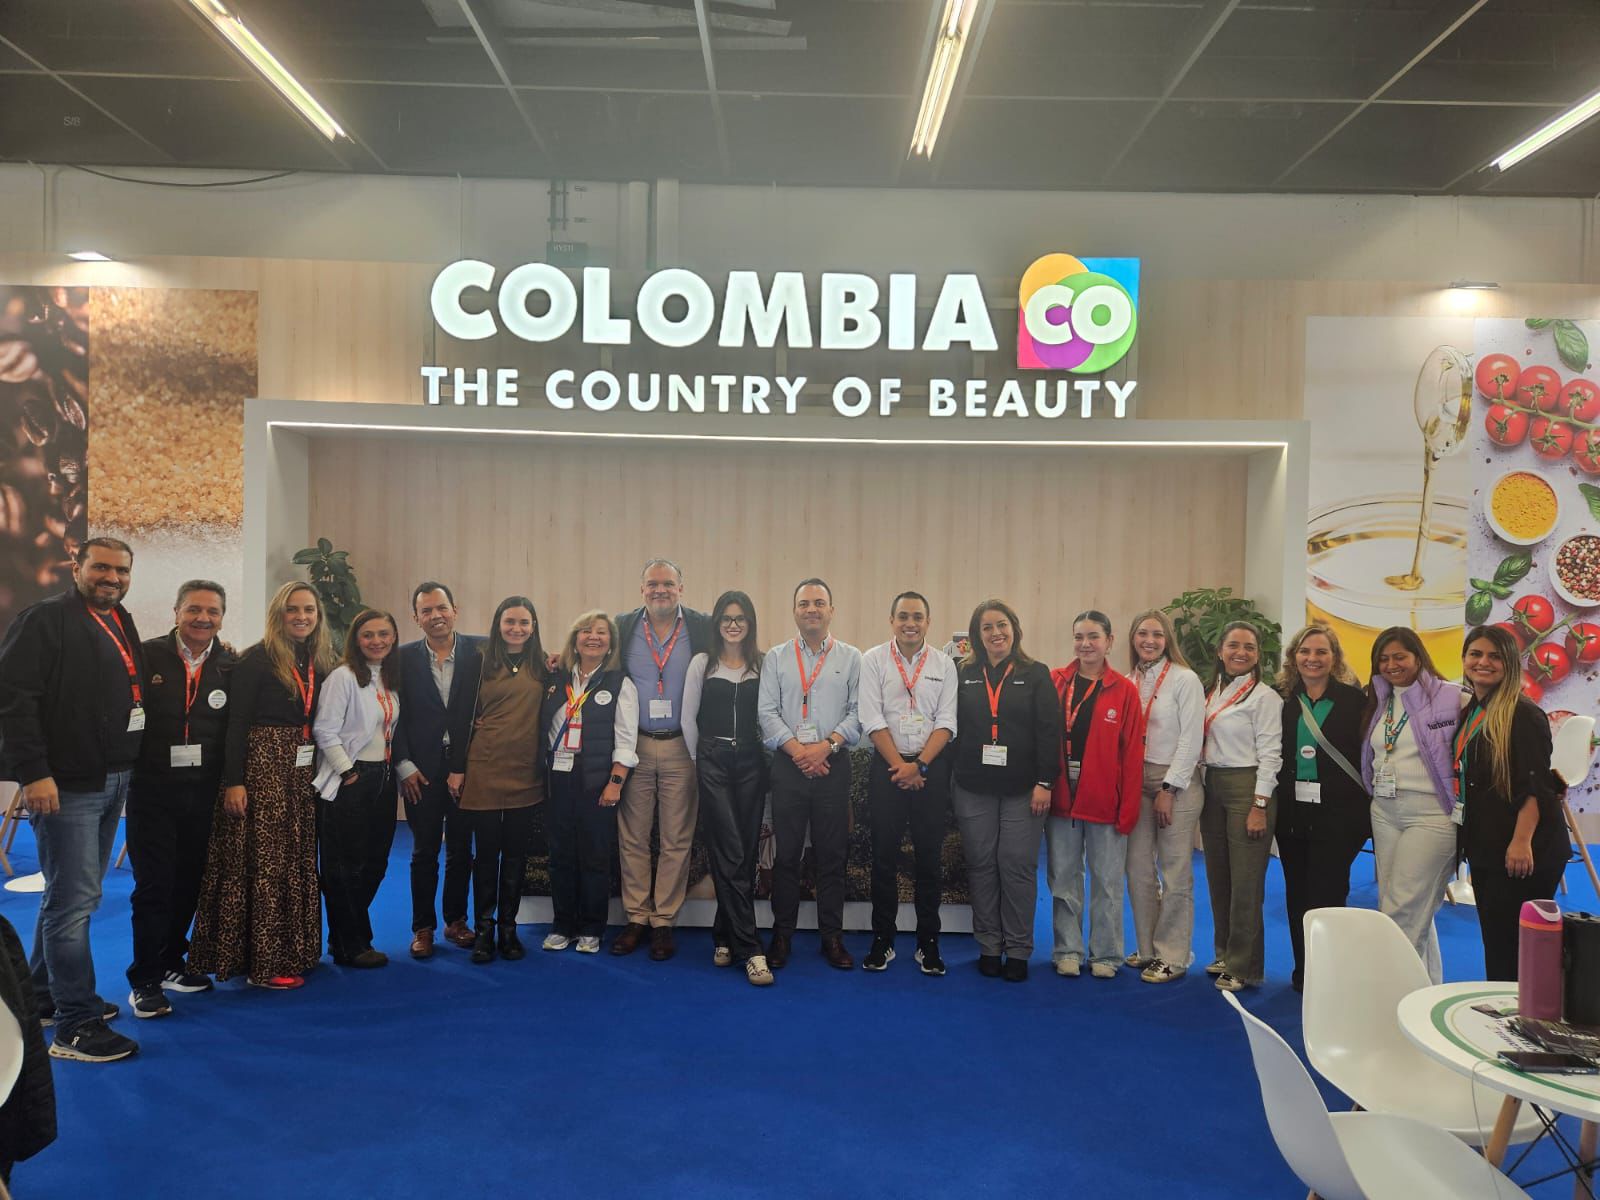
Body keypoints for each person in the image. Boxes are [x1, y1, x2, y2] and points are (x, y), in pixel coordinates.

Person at [0, 537, 144, 1061]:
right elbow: (14, 701)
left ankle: (44, 996)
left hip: (112, 777)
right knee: (73, 903)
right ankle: (75, 1026)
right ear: (76, 567)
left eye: (121, 570)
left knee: (72, 894)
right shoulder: (44, 620)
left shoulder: (119, 618)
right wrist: (33, 774)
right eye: (101, 567)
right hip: (65, 784)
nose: (112, 578)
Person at [190, 581, 333, 990]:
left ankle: (292, 950)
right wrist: (235, 782)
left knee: (293, 858)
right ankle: (262, 963)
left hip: (299, 771)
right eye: (293, 609)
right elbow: (236, 724)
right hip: (262, 767)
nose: (301, 617)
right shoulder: (257, 659)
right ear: (278, 614)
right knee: (264, 862)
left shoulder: (319, 660)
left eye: (308, 609)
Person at [124, 580, 235, 1019]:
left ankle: (172, 960)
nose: (202, 618)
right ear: (176, 612)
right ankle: (145, 979)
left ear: (222, 617)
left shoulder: (229, 664)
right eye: (193, 609)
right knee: (154, 885)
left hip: (203, 793)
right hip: (152, 790)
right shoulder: (147, 655)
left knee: (189, 880)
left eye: (212, 611)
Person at [950, 599, 1062, 983]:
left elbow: (1050, 731)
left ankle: (1017, 948)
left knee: (1016, 865)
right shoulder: (962, 673)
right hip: (972, 787)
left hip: (1023, 789)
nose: (996, 633)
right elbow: (950, 726)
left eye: (1002, 625)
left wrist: (1045, 782)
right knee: (981, 865)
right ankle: (988, 944)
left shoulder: (1035, 673)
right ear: (976, 635)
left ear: (1014, 629)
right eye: (987, 627)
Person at [757, 578, 862, 971]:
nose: (812, 610)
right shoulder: (776, 657)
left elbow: (859, 712)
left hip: (833, 764)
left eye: (819, 603)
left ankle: (831, 937)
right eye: (804, 604)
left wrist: (826, 746)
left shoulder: (851, 657)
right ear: (795, 611)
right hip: (789, 766)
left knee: (831, 856)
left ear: (831, 610)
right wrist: (801, 752)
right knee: (787, 855)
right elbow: (766, 712)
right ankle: (782, 935)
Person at [610, 559, 712, 962]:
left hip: (681, 746)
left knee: (676, 838)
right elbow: (592, 657)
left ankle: (664, 919)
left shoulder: (702, 626)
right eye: (652, 584)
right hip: (634, 745)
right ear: (642, 590)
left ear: (680, 588)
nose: (660, 590)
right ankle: (637, 916)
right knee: (633, 836)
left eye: (668, 584)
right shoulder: (623, 626)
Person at [1457, 625, 1566, 981]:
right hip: (1488, 844)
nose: (1483, 662)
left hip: (1523, 848)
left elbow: (1535, 785)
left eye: (1494, 656)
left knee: (1514, 947)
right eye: (1475, 654)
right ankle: (1504, 1006)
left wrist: (1521, 841)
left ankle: (1519, 1009)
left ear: (1510, 663)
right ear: (1464, 659)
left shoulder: (1523, 715)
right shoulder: (1474, 710)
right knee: (1497, 939)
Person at [858, 591, 958, 975]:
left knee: (929, 859)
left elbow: (946, 721)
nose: (910, 623)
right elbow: (871, 718)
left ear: (928, 622)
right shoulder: (873, 660)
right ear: (892, 621)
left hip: (930, 770)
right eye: (903, 616)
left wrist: (920, 766)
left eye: (917, 616)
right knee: (883, 858)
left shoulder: (944, 664)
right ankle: (882, 939)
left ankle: (928, 942)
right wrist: (902, 766)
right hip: (888, 769)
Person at [681, 591, 773, 986]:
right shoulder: (702, 664)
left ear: (750, 623)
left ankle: (723, 935)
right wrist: (701, 764)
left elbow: (769, 717)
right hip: (713, 762)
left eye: (741, 618)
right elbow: (687, 719)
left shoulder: (762, 664)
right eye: (726, 618)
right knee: (730, 848)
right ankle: (751, 950)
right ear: (717, 623)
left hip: (751, 764)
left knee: (744, 852)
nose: (733, 625)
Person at [1047, 611, 1144, 980]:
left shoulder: (1124, 690)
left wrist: (1128, 809)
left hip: (1105, 799)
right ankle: (1067, 949)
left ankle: (1106, 953)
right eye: (1079, 637)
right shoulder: (1056, 681)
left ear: (1109, 641)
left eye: (1093, 637)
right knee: (1063, 878)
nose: (1085, 644)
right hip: (1062, 796)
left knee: (1107, 881)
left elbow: (1132, 754)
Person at [1273, 624, 1370, 993]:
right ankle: (1304, 971)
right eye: (1305, 651)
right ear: (1294, 657)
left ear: (1334, 658)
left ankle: (1331, 974)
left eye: (1321, 652)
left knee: (1328, 895)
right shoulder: (1282, 701)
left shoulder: (1354, 702)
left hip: (1339, 815)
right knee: (1297, 893)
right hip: (1292, 814)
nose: (1312, 659)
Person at [452, 595, 548, 964]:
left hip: (526, 769)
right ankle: (484, 928)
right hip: (485, 766)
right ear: (498, 624)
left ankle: (509, 927)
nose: (517, 628)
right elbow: (461, 715)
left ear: (533, 627)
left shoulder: (544, 665)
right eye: (510, 621)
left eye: (524, 622)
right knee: (487, 854)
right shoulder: (478, 662)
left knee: (516, 854)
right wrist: (457, 767)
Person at [1360, 626, 1459, 983]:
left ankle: (1392, 994)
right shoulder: (1380, 698)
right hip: (1385, 812)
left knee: (1400, 912)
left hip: (1432, 814)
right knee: (1408, 907)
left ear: (1418, 656)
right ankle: (1425, 989)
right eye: (1384, 659)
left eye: (1400, 656)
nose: (1391, 665)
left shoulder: (1452, 697)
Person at [538, 611, 637, 955]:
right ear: (574, 639)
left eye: (601, 632)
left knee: (595, 856)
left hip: (596, 780)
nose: (593, 637)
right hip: (557, 776)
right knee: (560, 855)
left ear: (611, 642)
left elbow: (626, 738)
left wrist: (615, 783)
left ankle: (592, 928)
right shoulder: (554, 677)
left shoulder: (619, 682)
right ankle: (562, 924)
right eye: (585, 631)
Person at [311, 609, 404, 969]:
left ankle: (343, 936)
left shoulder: (389, 677)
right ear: (356, 639)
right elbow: (324, 729)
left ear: (394, 638)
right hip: (350, 778)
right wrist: (347, 771)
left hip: (383, 777)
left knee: (375, 863)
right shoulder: (344, 676)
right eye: (368, 635)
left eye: (384, 634)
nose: (376, 641)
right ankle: (353, 943)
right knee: (344, 867)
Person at [395, 582, 481, 959]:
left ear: (454, 610)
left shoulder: (480, 652)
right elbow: (393, 715)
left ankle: (456, 920)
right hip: (420, 771)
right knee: (424, 851)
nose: (436, 616)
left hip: (467, 767)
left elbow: (525, 653)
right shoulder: (402, 659)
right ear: (416, 618)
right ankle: (423, 927)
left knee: (461, 850)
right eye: (426, 611)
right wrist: (403, 764)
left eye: (441, 608)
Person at [1198, 620, 1283, 993]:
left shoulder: (1265, 697)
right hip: (1213, 784)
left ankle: (1243, 965)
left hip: (1248, 787)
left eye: (1249, 647)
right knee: (1219, 876)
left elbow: (1271, 754)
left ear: (1258, 654)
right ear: (1220, 651)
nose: (1241, 652)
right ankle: (1224, 952)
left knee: (1246, 881)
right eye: (1233, 645)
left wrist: (1259, 804)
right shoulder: (1211, 692)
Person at [1123, 609, 1206, 984]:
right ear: (1133, 639)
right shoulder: (1129, 680)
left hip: (1176, 782)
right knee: (1138, 870)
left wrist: (1169, 789)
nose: (1149, 640)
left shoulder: (1185, 679)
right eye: (1142, 633)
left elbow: (1191, 738)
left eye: (1157, 634)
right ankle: (1148, 948)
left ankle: (1173, 955)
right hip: (1136, 780)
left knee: (1175, 872)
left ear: (1167, 640)